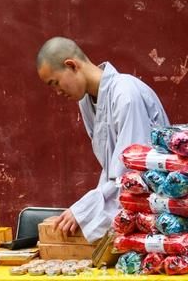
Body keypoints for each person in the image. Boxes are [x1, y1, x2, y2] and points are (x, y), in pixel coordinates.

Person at [36, 36, 169, 243]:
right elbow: (111, 170)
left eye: (55, 82)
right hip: (130, 209)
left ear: (71, 65)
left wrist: (86, 209)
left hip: (156, 209)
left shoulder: (126, 94)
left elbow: (133, 174)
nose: (57, 92)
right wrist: (87, 209)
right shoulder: (87, 101)